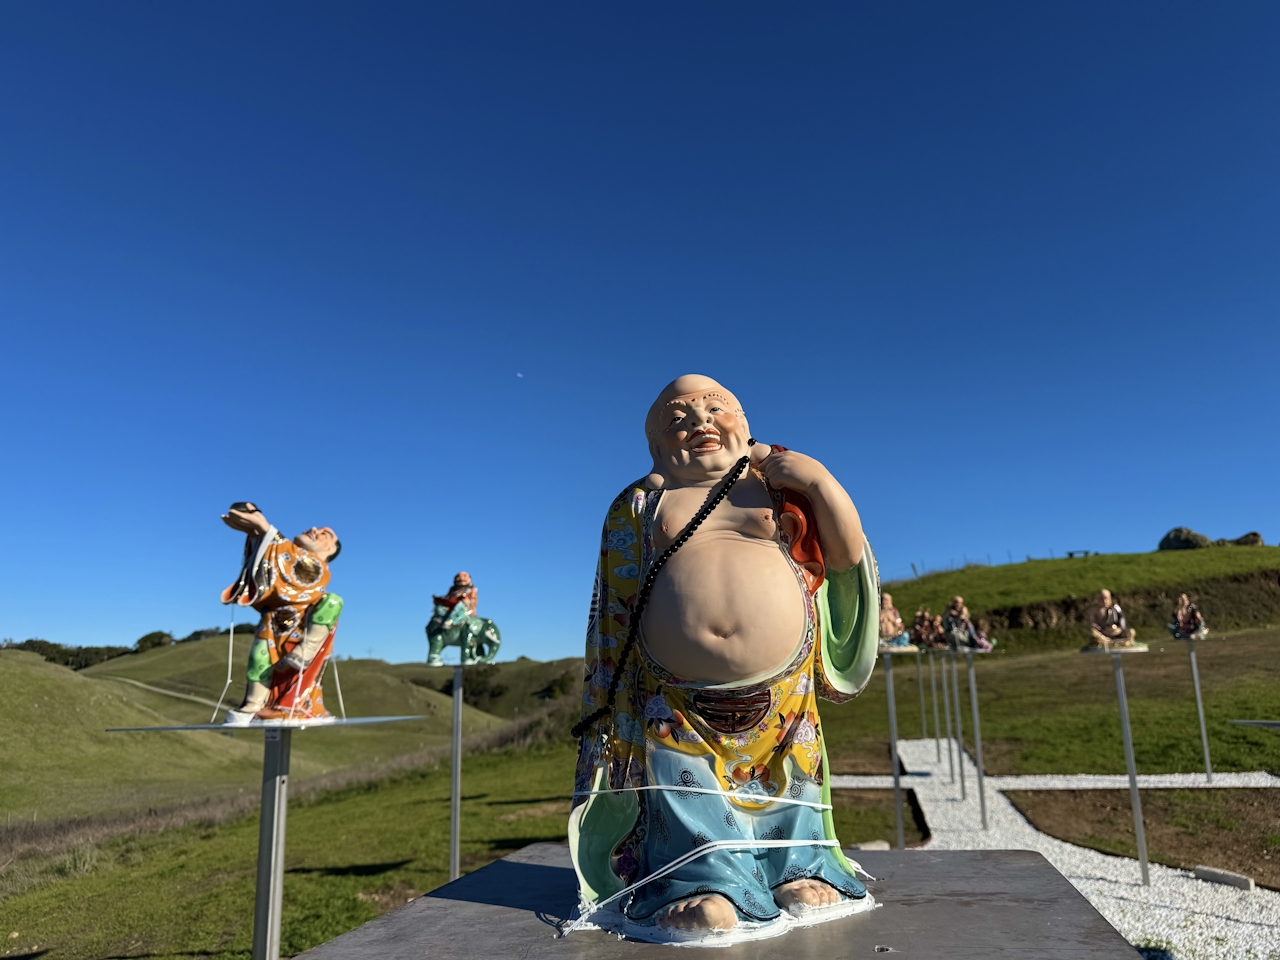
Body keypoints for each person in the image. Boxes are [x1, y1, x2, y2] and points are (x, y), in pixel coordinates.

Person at [570, 375, 879, 942]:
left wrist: (816, 478)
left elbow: (846, 552)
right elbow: (616, 592)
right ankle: (700, 883)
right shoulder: (645, 501)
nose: (700, 421)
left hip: (782, 691)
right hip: (674, 693)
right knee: (685, 788)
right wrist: (608, 685)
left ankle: (799, 868)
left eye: (716, 408)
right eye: (678, 418)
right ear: (657, 446)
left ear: (746, 424)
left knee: (791, 782)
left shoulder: (778, 486)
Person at [220, 503, 343, 724]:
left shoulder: (317, 567)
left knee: (333, 601)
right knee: (259, 659)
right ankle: (253, 704)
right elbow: (278, 562)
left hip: (301, 628)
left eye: (325, 534)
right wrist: (258, 534)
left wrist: (266, 530)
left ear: (330, 550)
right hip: (273, 625)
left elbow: (297, 571)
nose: (314, 529)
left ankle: (308, 648)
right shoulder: (292, 553)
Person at [426, 571, 502, 665]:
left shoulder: (471, 590)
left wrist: (463, 601)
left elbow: (467, 603)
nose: (461, 579)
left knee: (462, 610)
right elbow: (448, 600)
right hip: (451, 612)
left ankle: (472, 656)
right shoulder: (452, 590)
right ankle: (434, 656)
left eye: (464, 576)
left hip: (465, 614)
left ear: (469, 579)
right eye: (458, 577)